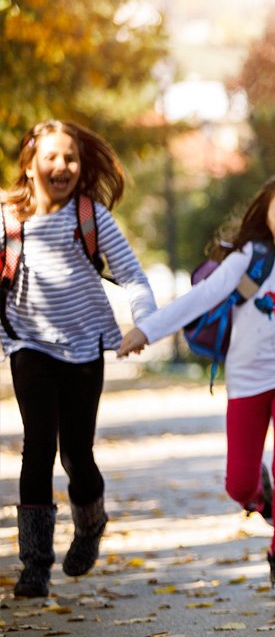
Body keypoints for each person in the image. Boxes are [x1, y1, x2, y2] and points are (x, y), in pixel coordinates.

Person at [117, 171, 275, 598]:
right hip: (246, 381)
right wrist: (148, 330)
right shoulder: (249, 258)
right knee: (238, 485)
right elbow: (201, 297)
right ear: (267, 218)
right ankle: (262, 500)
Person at [3, 120, 158, 598]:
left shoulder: (89, 216)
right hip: (28, 343)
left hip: (85, 347)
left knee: (76, 453)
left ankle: (90, 524)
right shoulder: (9, 219)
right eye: (50, 157)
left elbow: (132, 274)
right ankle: (35, 566)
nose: (61, 166)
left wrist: (142, 323)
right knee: (37, 447)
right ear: (29, 166)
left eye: (70, 157)